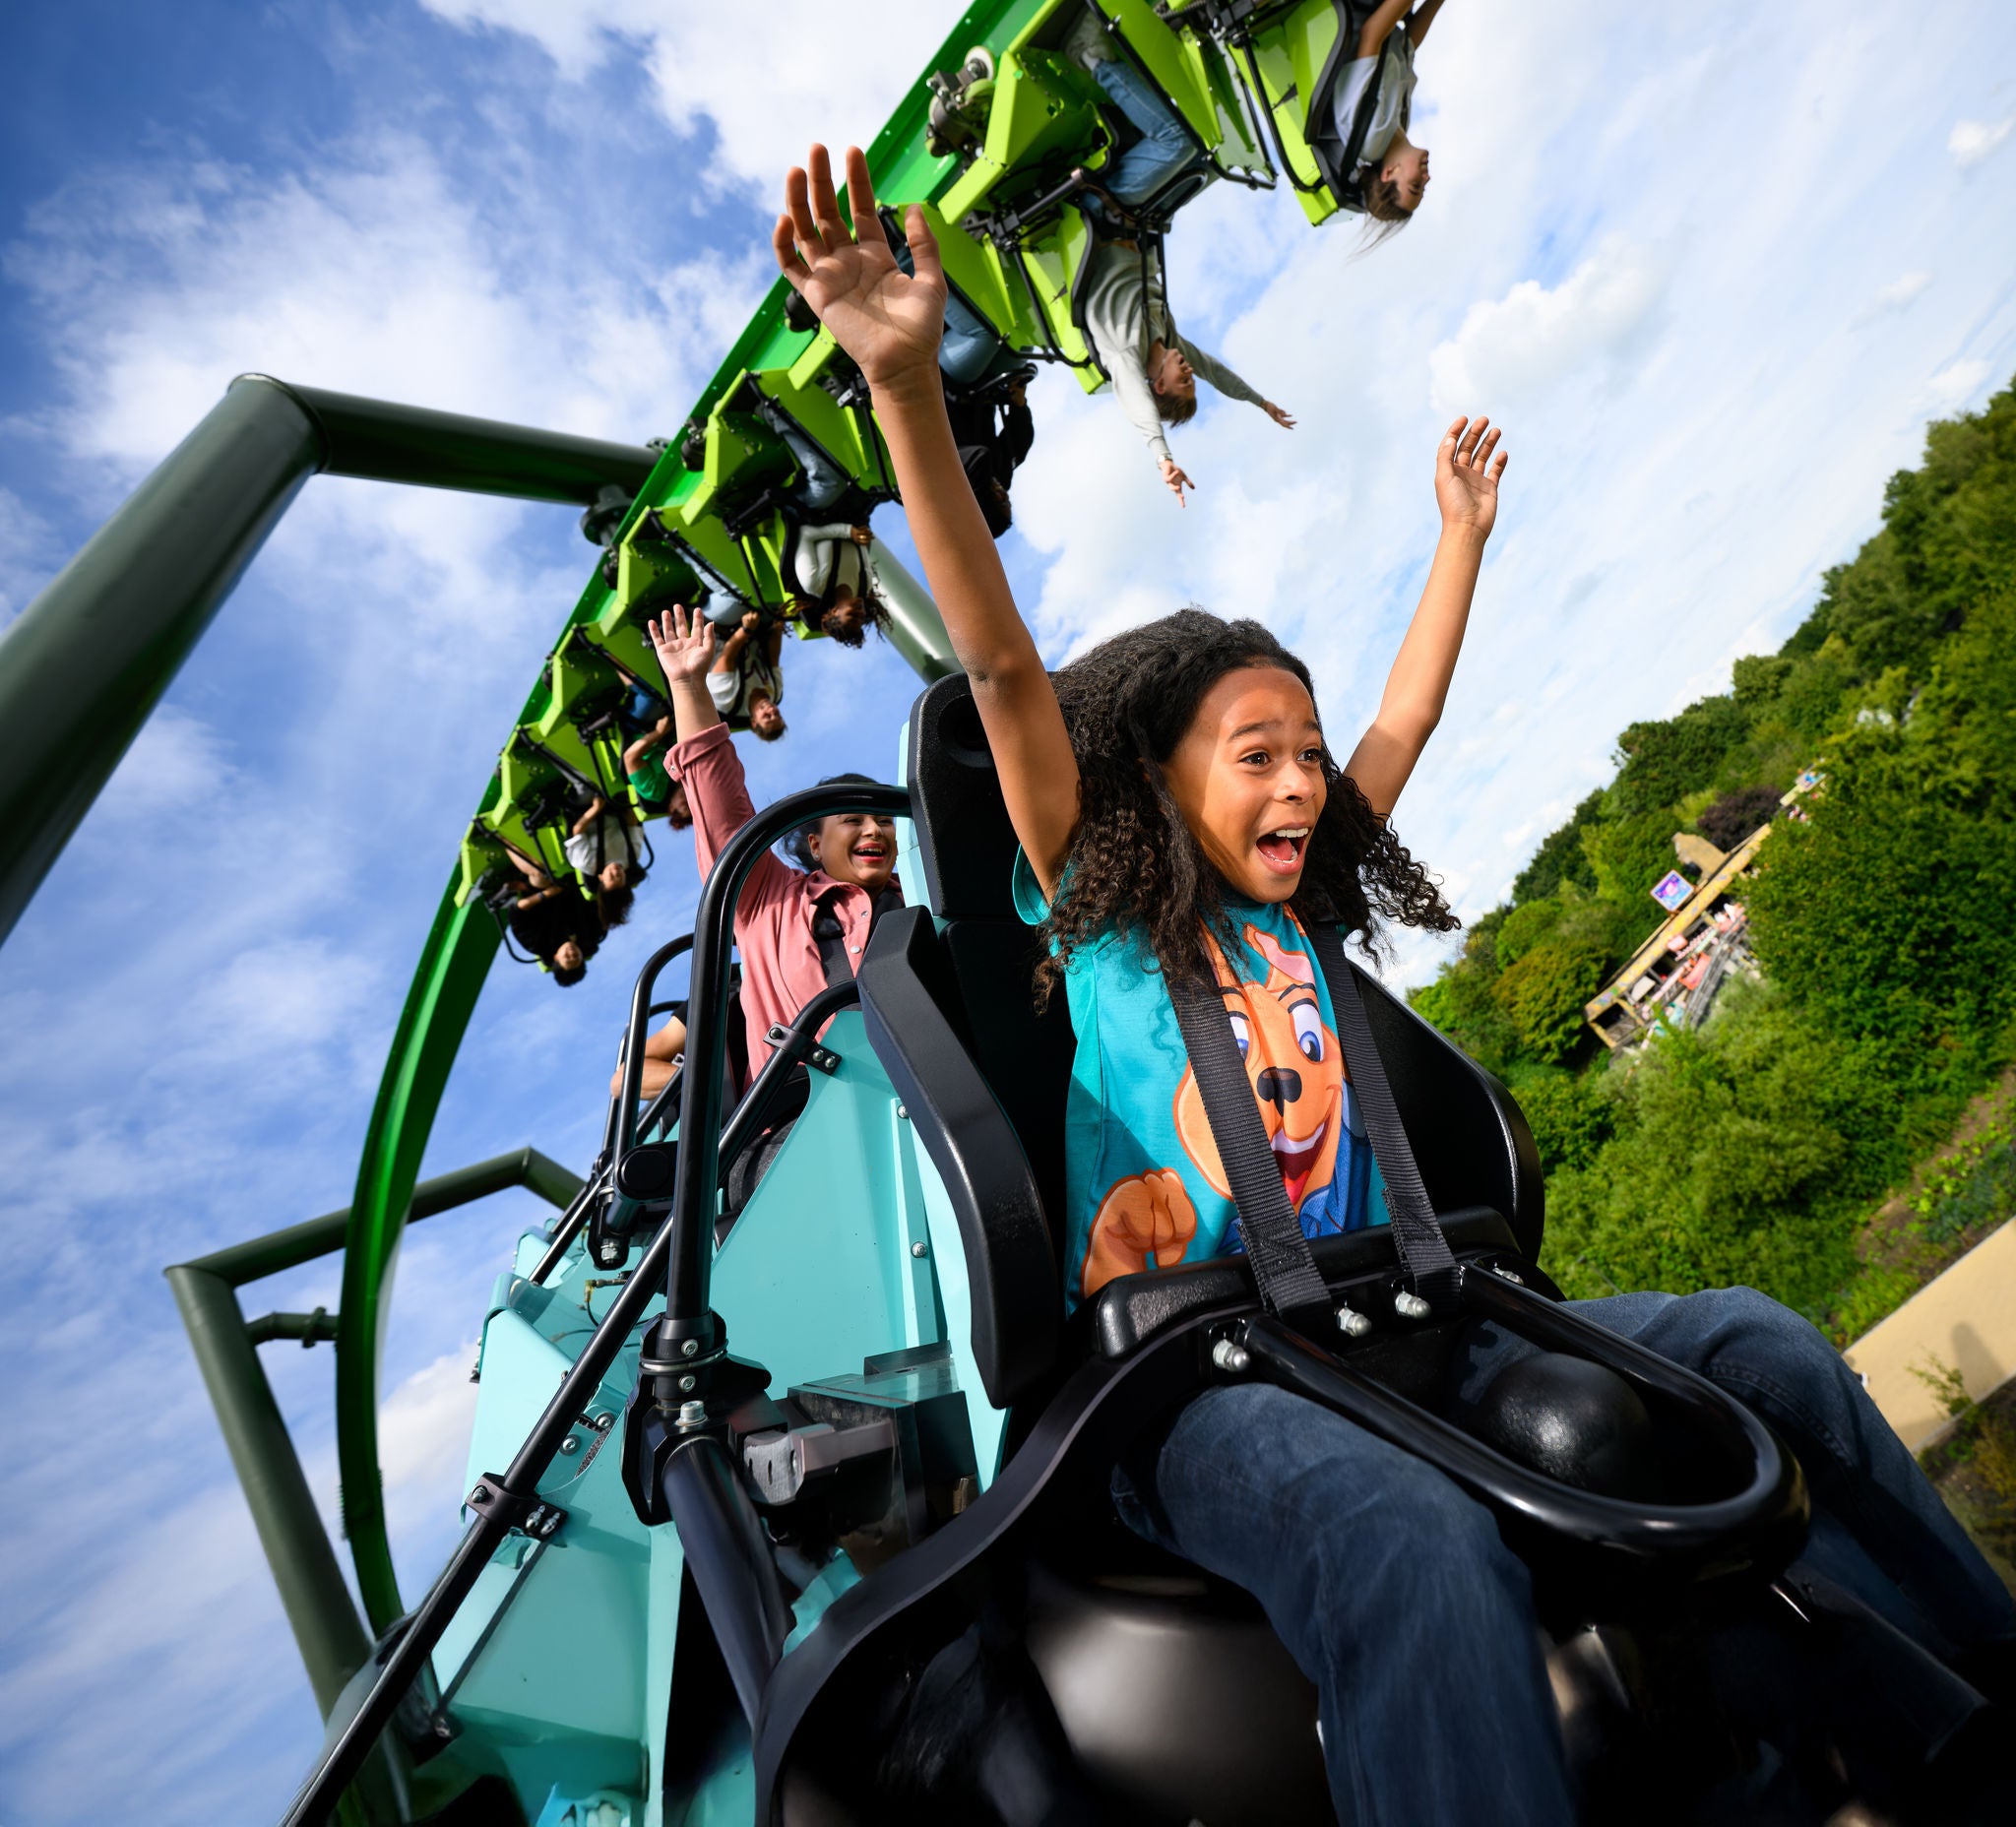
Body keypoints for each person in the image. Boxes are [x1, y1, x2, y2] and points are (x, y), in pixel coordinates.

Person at [771, 142, 2016, 1823]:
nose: (1297, 787)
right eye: (1253, 758)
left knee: (1757, 1344)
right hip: (1198, 1384)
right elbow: (998, 666)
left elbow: (1405, 722)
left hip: (1410, 1317)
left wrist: (1458, 537)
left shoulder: (1303, 911)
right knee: (1405, 1541)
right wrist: (906, 384)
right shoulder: (1103, 900)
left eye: (1304, 756)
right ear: (1149, 783)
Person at [649, 600, 905, 1093]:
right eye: (853, 820)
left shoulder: (920, 892)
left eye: (885, 821)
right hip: (803, 1118)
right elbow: (722, 811)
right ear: (814, 843)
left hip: (924, 1091)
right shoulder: (770, 900)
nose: (875, 830)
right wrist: (688, 687)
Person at [1329, 0, 1444, 228]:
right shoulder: (1398, 128)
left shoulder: (1373, 136)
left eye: (1415, 185)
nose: (1427, 178)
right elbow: (1407, 45)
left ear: (1389, 173)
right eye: (1424, 187)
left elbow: (1371, 34)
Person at [945, 369, 1035, 538]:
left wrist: (985, 483)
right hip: (982, 390)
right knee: (1013, 355)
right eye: (1008, 501)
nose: (1004, 494)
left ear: (984, 504)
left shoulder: (955, 484)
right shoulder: (1001, 475)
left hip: (946, 384)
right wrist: (1019, 405)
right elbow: (1019, 444)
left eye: (1000, 501)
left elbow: (980, 456)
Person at [500, 847, 603, 986]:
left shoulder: (537, 944)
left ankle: (501, 837)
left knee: (540, 874)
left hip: (540, 889)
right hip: (576, 881)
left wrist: (547, 894)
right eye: (576, 957)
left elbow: (516, 912)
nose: (572, 953)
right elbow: (600, 904)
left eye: (567, 958)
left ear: (556, 958)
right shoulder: (594, 934)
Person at [789, 520, 887, 647]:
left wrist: (847, 531)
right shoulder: (865, 584)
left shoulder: (814, 583)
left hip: (815, 512)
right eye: (861, 617)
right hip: (853, 514)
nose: (861, 612)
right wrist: (861, 533)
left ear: (834, 611)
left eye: (852, 615)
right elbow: (862, 543)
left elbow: (805, 533)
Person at [709, 609, 788, 741]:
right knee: (773, 605)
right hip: (753, 629)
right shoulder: (775, 692)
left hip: (718, 629)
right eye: (777, 715)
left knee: (736, 601)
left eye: (767, 717)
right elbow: (773, 656)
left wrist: (746, 629)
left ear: (754, 722)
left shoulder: (728, 702)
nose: (772, 711)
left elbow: (727, 657)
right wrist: (778, 627)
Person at [621, 710, 694, 828]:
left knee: (652, 700)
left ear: (671, 807)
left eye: (684, 805)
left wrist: (658, 732)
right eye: (691, 803)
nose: (687, 800)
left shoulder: (654, 791)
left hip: (640, 728)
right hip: (672, 723)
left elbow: (630, 758)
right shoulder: (687, 776)